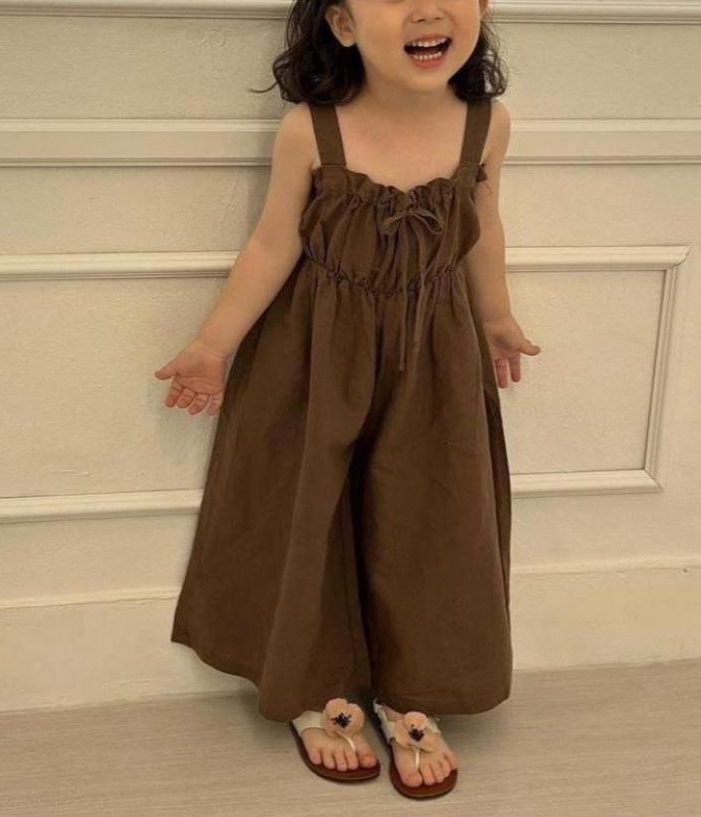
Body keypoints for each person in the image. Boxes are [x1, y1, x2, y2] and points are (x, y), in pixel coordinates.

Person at [155, 0, 540, 799]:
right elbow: (272, 241)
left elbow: (484, 222)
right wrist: (212, 345)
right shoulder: (310, 130)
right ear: (340, 24)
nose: (427, 8)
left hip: (434, 355)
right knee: (309, 512)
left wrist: (496, 318)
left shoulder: (486, 125)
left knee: (431, 516)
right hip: (315, 352)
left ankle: (413, 686)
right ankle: (313, 683)